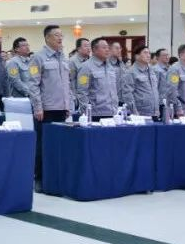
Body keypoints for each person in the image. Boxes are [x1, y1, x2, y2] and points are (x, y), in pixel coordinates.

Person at [28, 25, 73, 182]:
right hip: (45, 110)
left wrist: (68, 105)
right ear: (47, 38)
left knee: (58, 144)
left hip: (61, 108)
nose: (60, 38)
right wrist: (38, 107)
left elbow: (67, 84)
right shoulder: (38, 58)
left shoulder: (63, 58)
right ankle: (39, 178)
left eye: (61, 35)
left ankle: (55, 177)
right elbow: (33, 85)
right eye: (56, 35)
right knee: (43, 145)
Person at [75, 37, 119, 120]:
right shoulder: (85, 67)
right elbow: (82, 91)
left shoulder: (110, 67)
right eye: (104, 47)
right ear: (94, 50)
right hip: (95, 114)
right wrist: (87, 112)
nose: (107, 50)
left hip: (112, 112)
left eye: (108, 47)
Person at [122, 45, 160, 119]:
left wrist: (157, 110)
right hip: (140, 113)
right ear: (137, 56)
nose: (148, 55)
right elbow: (127, 94)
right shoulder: (131, 72)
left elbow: (155, 90)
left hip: (155, 112)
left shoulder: (152, 71)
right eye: (145, 53)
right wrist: (134, 112)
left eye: (149, 53)